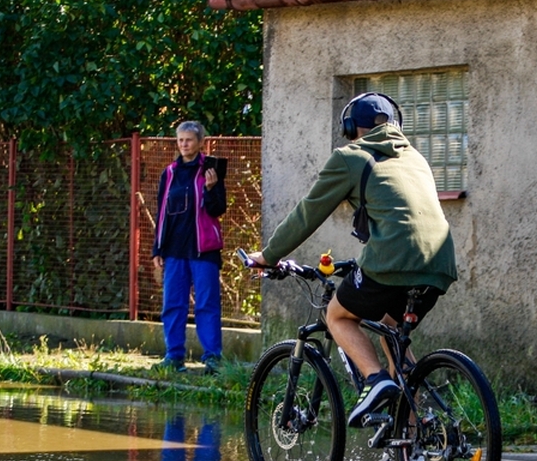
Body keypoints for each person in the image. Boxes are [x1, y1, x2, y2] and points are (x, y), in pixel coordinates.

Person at [246, 93, 458, 427]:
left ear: (349, 128)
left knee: (338, 315)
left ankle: (375, 381)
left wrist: (269, 256)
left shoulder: (350, 156)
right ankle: (415, 436)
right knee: (391, 331)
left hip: (392, 261)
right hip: (440, 263)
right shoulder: (415, 158)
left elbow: (308, 213)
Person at [153, 121, 227, 374]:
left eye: (189, 140)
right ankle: (173, 357)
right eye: (180, 140)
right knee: (173, 304)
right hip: (174, 250)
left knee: (207, 305)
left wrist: (211, 188)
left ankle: (212, 358)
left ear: (200, 142)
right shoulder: (170, 173)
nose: (184, 144)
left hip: (203, 249)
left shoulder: (210, 169)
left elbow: (218, 209)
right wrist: (157, 249)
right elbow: (162, 212)